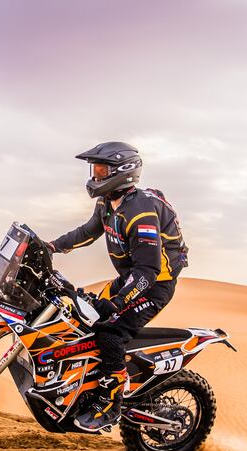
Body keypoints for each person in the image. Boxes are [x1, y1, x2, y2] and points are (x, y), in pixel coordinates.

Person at [47, 141, 189, 432]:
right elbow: (87, 232)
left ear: (122, 171)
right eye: (95, 169)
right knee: (85, 319)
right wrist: (50, 246)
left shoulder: (141, 214)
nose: (95, 175)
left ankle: (111, 402)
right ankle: (86, 386)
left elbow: (149, 270)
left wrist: (118, 302)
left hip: (154, 285)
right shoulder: (108, 203)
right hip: (132, 280)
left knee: (111, 332)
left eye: (101, 169)